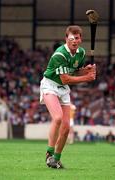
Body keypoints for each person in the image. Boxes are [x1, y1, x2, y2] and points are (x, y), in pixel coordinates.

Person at [40, 25, 96, 169]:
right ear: (66, 39)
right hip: (50, 85)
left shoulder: (81, 53)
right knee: (57, 118)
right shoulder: (60, 54)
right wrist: (87, 78)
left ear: (80, 39)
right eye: (71, 38)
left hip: (63, 90)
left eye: (77, 38)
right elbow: (65, 78)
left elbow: (75, 71)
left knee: (65, 127)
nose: (74, 41)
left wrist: (86, 70)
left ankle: (56, 159)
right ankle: (49, 153)